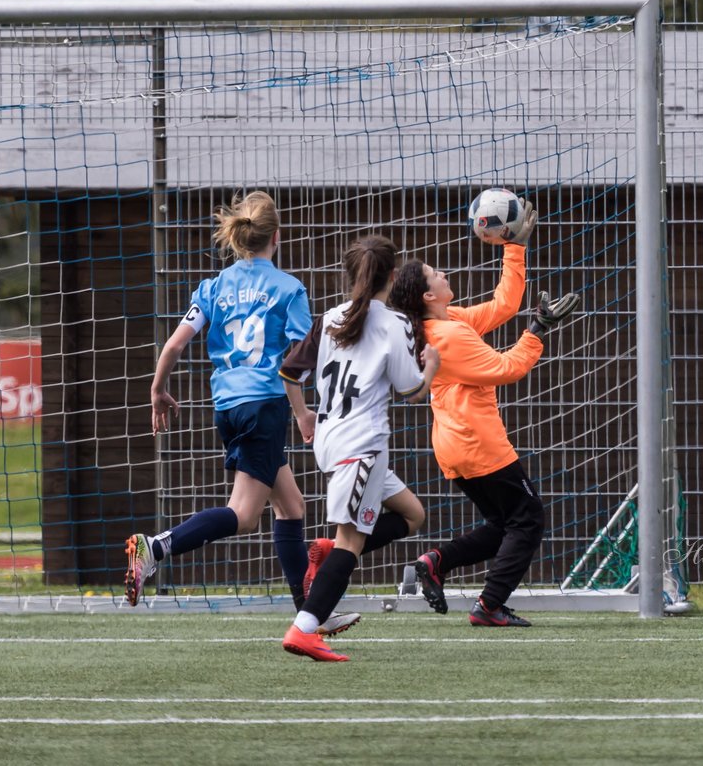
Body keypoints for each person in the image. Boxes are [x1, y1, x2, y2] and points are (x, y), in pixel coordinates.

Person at [122, 191, 357, 636]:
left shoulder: (213, 287)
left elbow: (173, 345)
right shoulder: (289, 288)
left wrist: (158, 390)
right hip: (264, 406)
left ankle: (310, 613)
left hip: (227, 406)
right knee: (245, 514)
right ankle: (154, 547)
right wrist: (304, 414)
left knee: (290, 507)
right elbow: (296, 361)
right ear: (277, 237)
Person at [388, 202, 579, 627]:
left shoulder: (444, 321)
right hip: (479, 443)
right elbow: (507, 369)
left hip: (455, 447)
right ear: (427, 296)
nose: (445, 274)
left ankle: (435, 562)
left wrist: (515, 248)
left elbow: (503, 305)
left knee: (502, 524)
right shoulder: (450, 333)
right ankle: (490, 605)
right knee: (528, 521)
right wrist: (539, 330)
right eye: (437, 274)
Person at [279, 235, 440, 662]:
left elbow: (289, 372)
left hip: (334, 441)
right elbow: (411, 390)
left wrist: (303, 416)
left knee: (412, 514)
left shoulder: (331, 316)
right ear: (391, 275)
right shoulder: (396, 323)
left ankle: (330, 553)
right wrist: (432, 368)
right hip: (362, 446)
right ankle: (304, 628)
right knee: (352, 543)